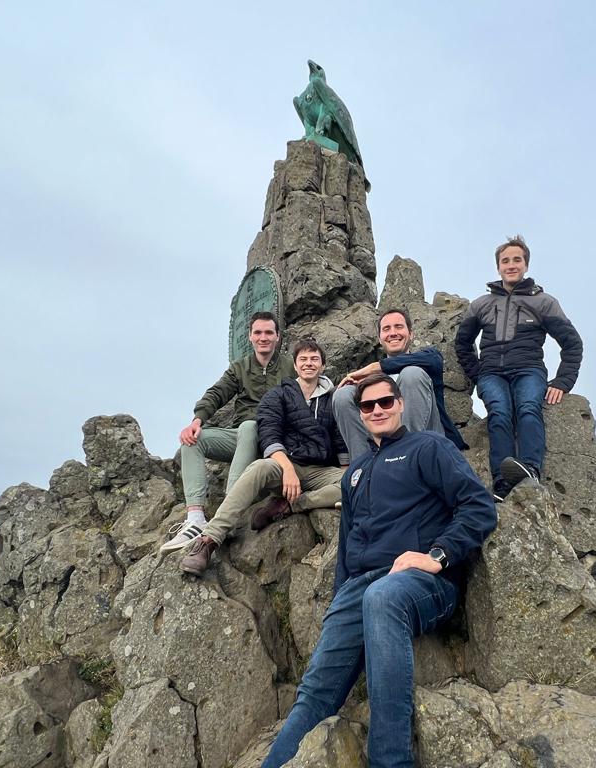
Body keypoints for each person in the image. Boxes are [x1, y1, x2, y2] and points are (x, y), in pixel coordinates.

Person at [262, 373, 496, 768]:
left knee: (382, 596)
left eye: (385, 402)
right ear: (360, 414)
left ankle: (391, 762)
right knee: (316, 689)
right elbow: (347, 544)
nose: (377, 411)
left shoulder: (430, 447)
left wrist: (437, 555)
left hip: (421, 583)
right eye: (368, 406)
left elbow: (478, 506)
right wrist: (340, 599)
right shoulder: (356, 471)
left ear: (400, 403)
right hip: (360, 588)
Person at [179, 339, 348, 575]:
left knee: (353, 482)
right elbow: (269, 434)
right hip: (284, 464)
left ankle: (294, 505)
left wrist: (346, 472)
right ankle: (209, 540)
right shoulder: (278, 394)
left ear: (322, 365)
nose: (309, 364)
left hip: (320, 469)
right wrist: (288, 470)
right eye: (303, 359)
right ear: (296, 366)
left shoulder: (333, 399)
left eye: (314, 359)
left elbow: (340, 438)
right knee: (258, 468)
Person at [455, 235, 583, 500]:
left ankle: (531, 470)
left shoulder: (543, 302)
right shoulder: (481, 304)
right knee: (499, 413)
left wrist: (562, 382)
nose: (511, 264)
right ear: (498, 267)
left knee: (527, 409)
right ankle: (501, 483)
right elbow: (462, 343)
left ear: (525, 264)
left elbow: (572, 344)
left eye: (517, 259)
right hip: (491, 373)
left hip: (529, 370)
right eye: (505, 261)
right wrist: (477, 374)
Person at [160, 311, 294, 553]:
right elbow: (217, 393)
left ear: (277, 337)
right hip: (243, 438)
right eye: (258, 333)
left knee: (251, 425)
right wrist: (197, 420)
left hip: (274, 443)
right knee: (193, 440)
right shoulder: (239, 368)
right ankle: (195, 518)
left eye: (268, 333)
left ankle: (226, 514)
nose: (263, 337)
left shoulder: (290, 367)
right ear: (250, 337)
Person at [333, 307, 467, 462]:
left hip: (427, 441)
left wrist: (376, 367)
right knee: (343, 394)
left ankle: (408, 458)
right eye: (386, 329)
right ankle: (364, 466)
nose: (393, 333)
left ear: (411, 334)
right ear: (380, 338)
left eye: (399, 327)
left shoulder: (428, 359)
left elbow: (435, 359)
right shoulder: (372, 378)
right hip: (381, 441)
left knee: (411, 374)